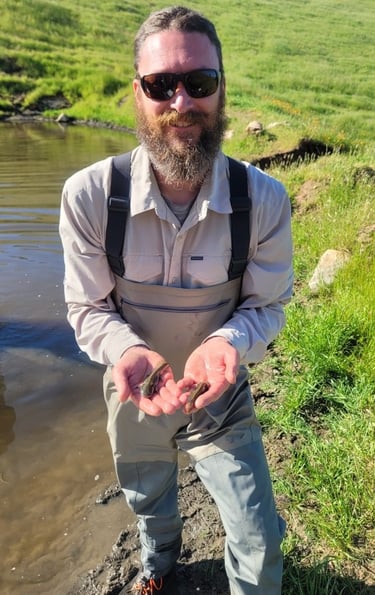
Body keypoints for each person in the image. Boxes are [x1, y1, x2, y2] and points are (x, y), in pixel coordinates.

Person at [59, 6, 293, 594]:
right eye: (161, 84)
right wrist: (127, 351)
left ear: (222, 89)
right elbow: (87, 309)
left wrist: (227, 342)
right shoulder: (88, 196)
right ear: (137, 93)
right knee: (148, 495)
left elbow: (268, 305)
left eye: (200, 83)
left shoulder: (264, 200)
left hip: (221, 387)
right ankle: (158, 563)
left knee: (259, 536)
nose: (181, 102)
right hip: (133, 384)